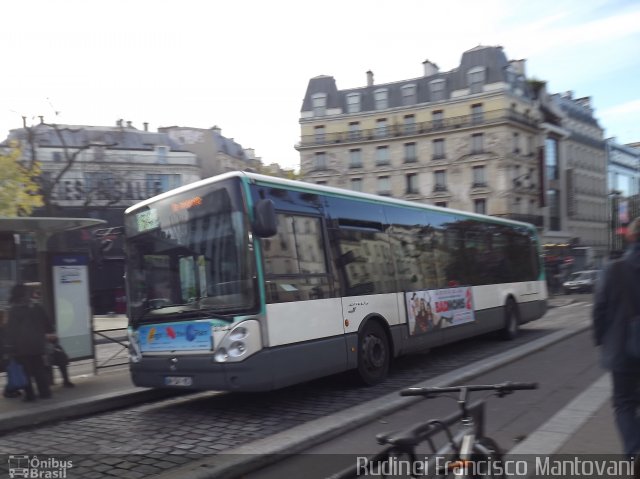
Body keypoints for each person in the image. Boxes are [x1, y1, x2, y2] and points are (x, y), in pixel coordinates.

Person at [593, 216, 640, 462]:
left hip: (621, 349)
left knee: (623, 403)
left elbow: (599, 310)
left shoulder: (614, 269)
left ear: (630, 236)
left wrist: (601, 340)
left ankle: (634, 451)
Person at [5, 284, 53, 401]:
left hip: (21, 347)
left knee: (25, 371)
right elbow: (47, 325)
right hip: (38, 344)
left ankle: (30, 396)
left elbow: (11, 330)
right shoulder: (37, 307)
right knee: (39, 369)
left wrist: (9, 347)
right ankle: (45, 393)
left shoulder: (13, 310)